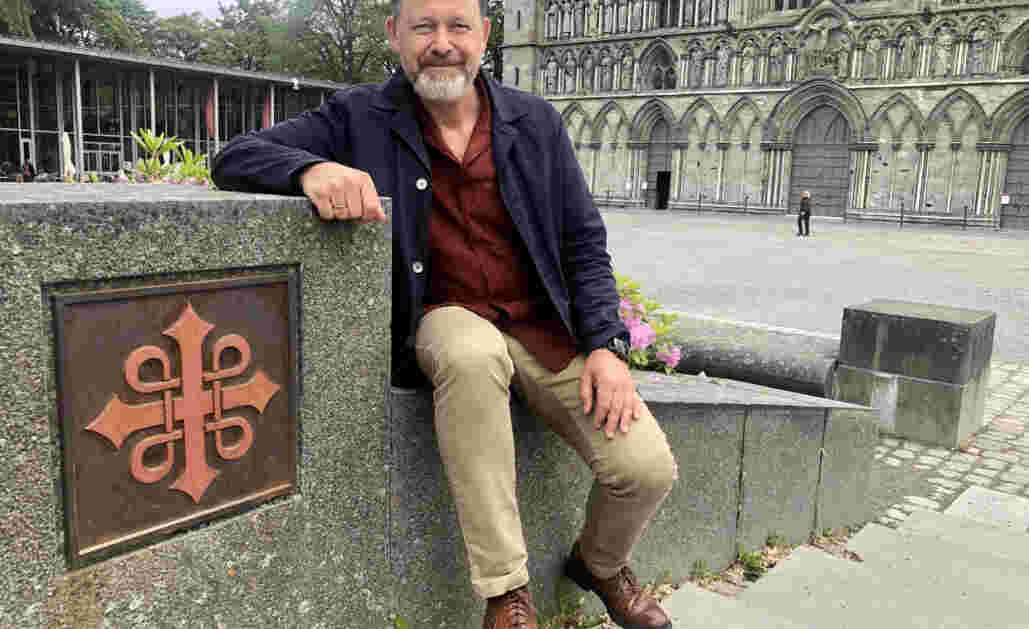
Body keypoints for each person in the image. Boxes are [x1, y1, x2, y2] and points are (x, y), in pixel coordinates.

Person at [212, 0, 678, 625]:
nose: (441, 43)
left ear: (484, 34)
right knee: (469, 353)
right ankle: (506, 593)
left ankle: (598, 563)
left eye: (458, 25)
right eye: (423, 26)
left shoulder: (535, 121)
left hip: (542, 328)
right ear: (394, 35)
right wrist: (310, 168)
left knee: (645, 469)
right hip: (445, 316)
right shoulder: (359, 116)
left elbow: (583, 243)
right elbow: (234, 156)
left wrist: (605, 346)